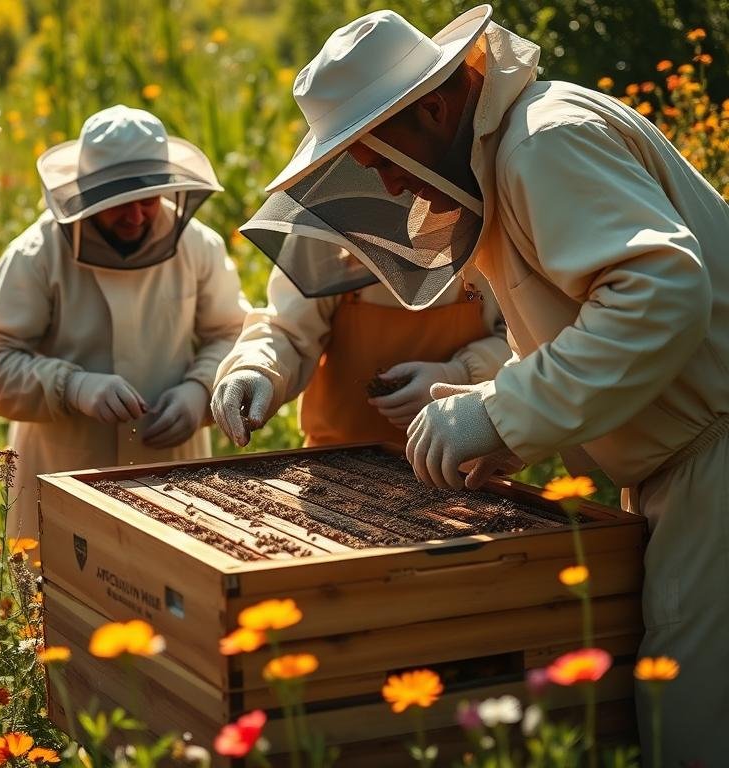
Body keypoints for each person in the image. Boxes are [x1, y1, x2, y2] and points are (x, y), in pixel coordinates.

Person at [255, 5, 729, 764]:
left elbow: (660, 294)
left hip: (717, 459)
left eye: (373, 154)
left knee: (696, 726)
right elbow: (593, 328)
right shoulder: (511, 153)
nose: (375, 179)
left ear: (436, 108)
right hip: (689, 461)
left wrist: (504, 412)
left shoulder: (544, 144)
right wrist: (504, 420)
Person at [0, 105, 250, 539]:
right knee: (65, 598)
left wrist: (200, 391)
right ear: (86, 195)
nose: (136, 217)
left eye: (147, 201)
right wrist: (72, 387)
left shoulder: (199, 245)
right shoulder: (37, 252)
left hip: (171, 469)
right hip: (64, 469)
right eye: (119, 204)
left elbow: (232, 333)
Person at [210, 238, 509, 448]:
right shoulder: (325, 227)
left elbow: (525, 342)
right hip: (335, 468)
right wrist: (256, 366)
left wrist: (459, 375)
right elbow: (288, 328)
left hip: (462, 470)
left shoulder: (485, 230)